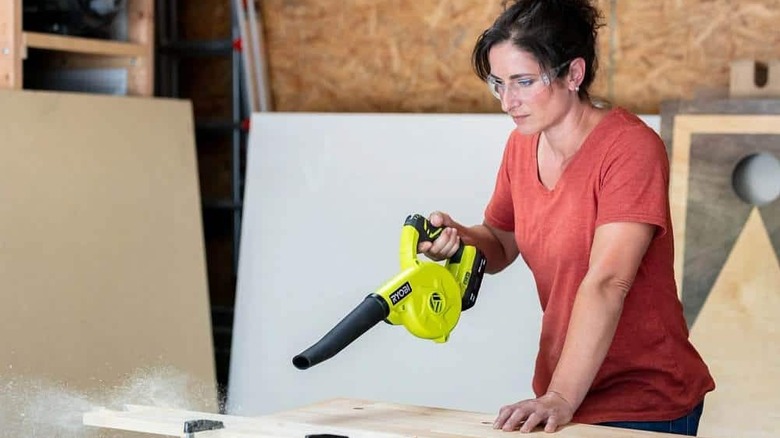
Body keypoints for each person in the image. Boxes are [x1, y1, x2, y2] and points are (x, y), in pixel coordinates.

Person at [417, 0, 715, 435]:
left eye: (522, 82)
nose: (507, 101)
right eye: (497, 84)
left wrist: (559, 397)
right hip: (568, 394)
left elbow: (608, 281)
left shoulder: (630, 149)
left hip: (645, 397)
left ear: (573, 74)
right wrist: (460, 239)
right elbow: (500, 242)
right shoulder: (523, 145)